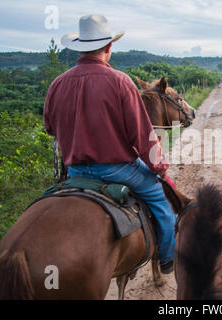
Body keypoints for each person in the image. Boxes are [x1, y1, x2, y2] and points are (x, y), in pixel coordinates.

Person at [43, 14, 175, 274]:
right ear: (109, 46)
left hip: (77, 171)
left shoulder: (57, 83)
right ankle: (168, 257)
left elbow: (50, 128)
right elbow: (142, 136)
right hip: (118, 169)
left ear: (80, 46)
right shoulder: (120, 81)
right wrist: (160, 169)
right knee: (165, 203)